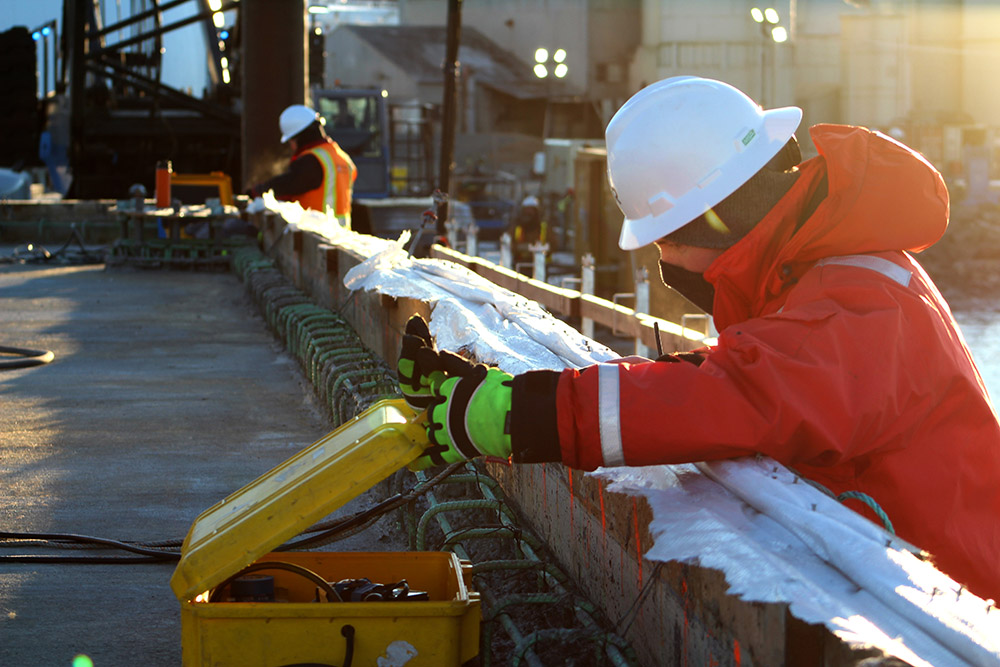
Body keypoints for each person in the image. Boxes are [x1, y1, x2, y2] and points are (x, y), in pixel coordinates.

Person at [396, 76, 1000, 603]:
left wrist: (517, 414)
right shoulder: (828, 275)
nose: (667, 262)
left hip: (943, 618)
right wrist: (530, 392)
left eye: (665, 241)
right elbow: (752, 374)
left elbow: (740, 397)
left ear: (715, 220)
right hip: (896, 582)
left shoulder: (861, 302)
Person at [249, 104, 357, 227]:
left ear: (299, 137)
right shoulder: (342, 158)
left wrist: (257, 191)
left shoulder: (312, 160)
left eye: (291, 141)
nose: (291, 146)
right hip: (340, 235)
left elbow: (287, 185)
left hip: (316, 233)